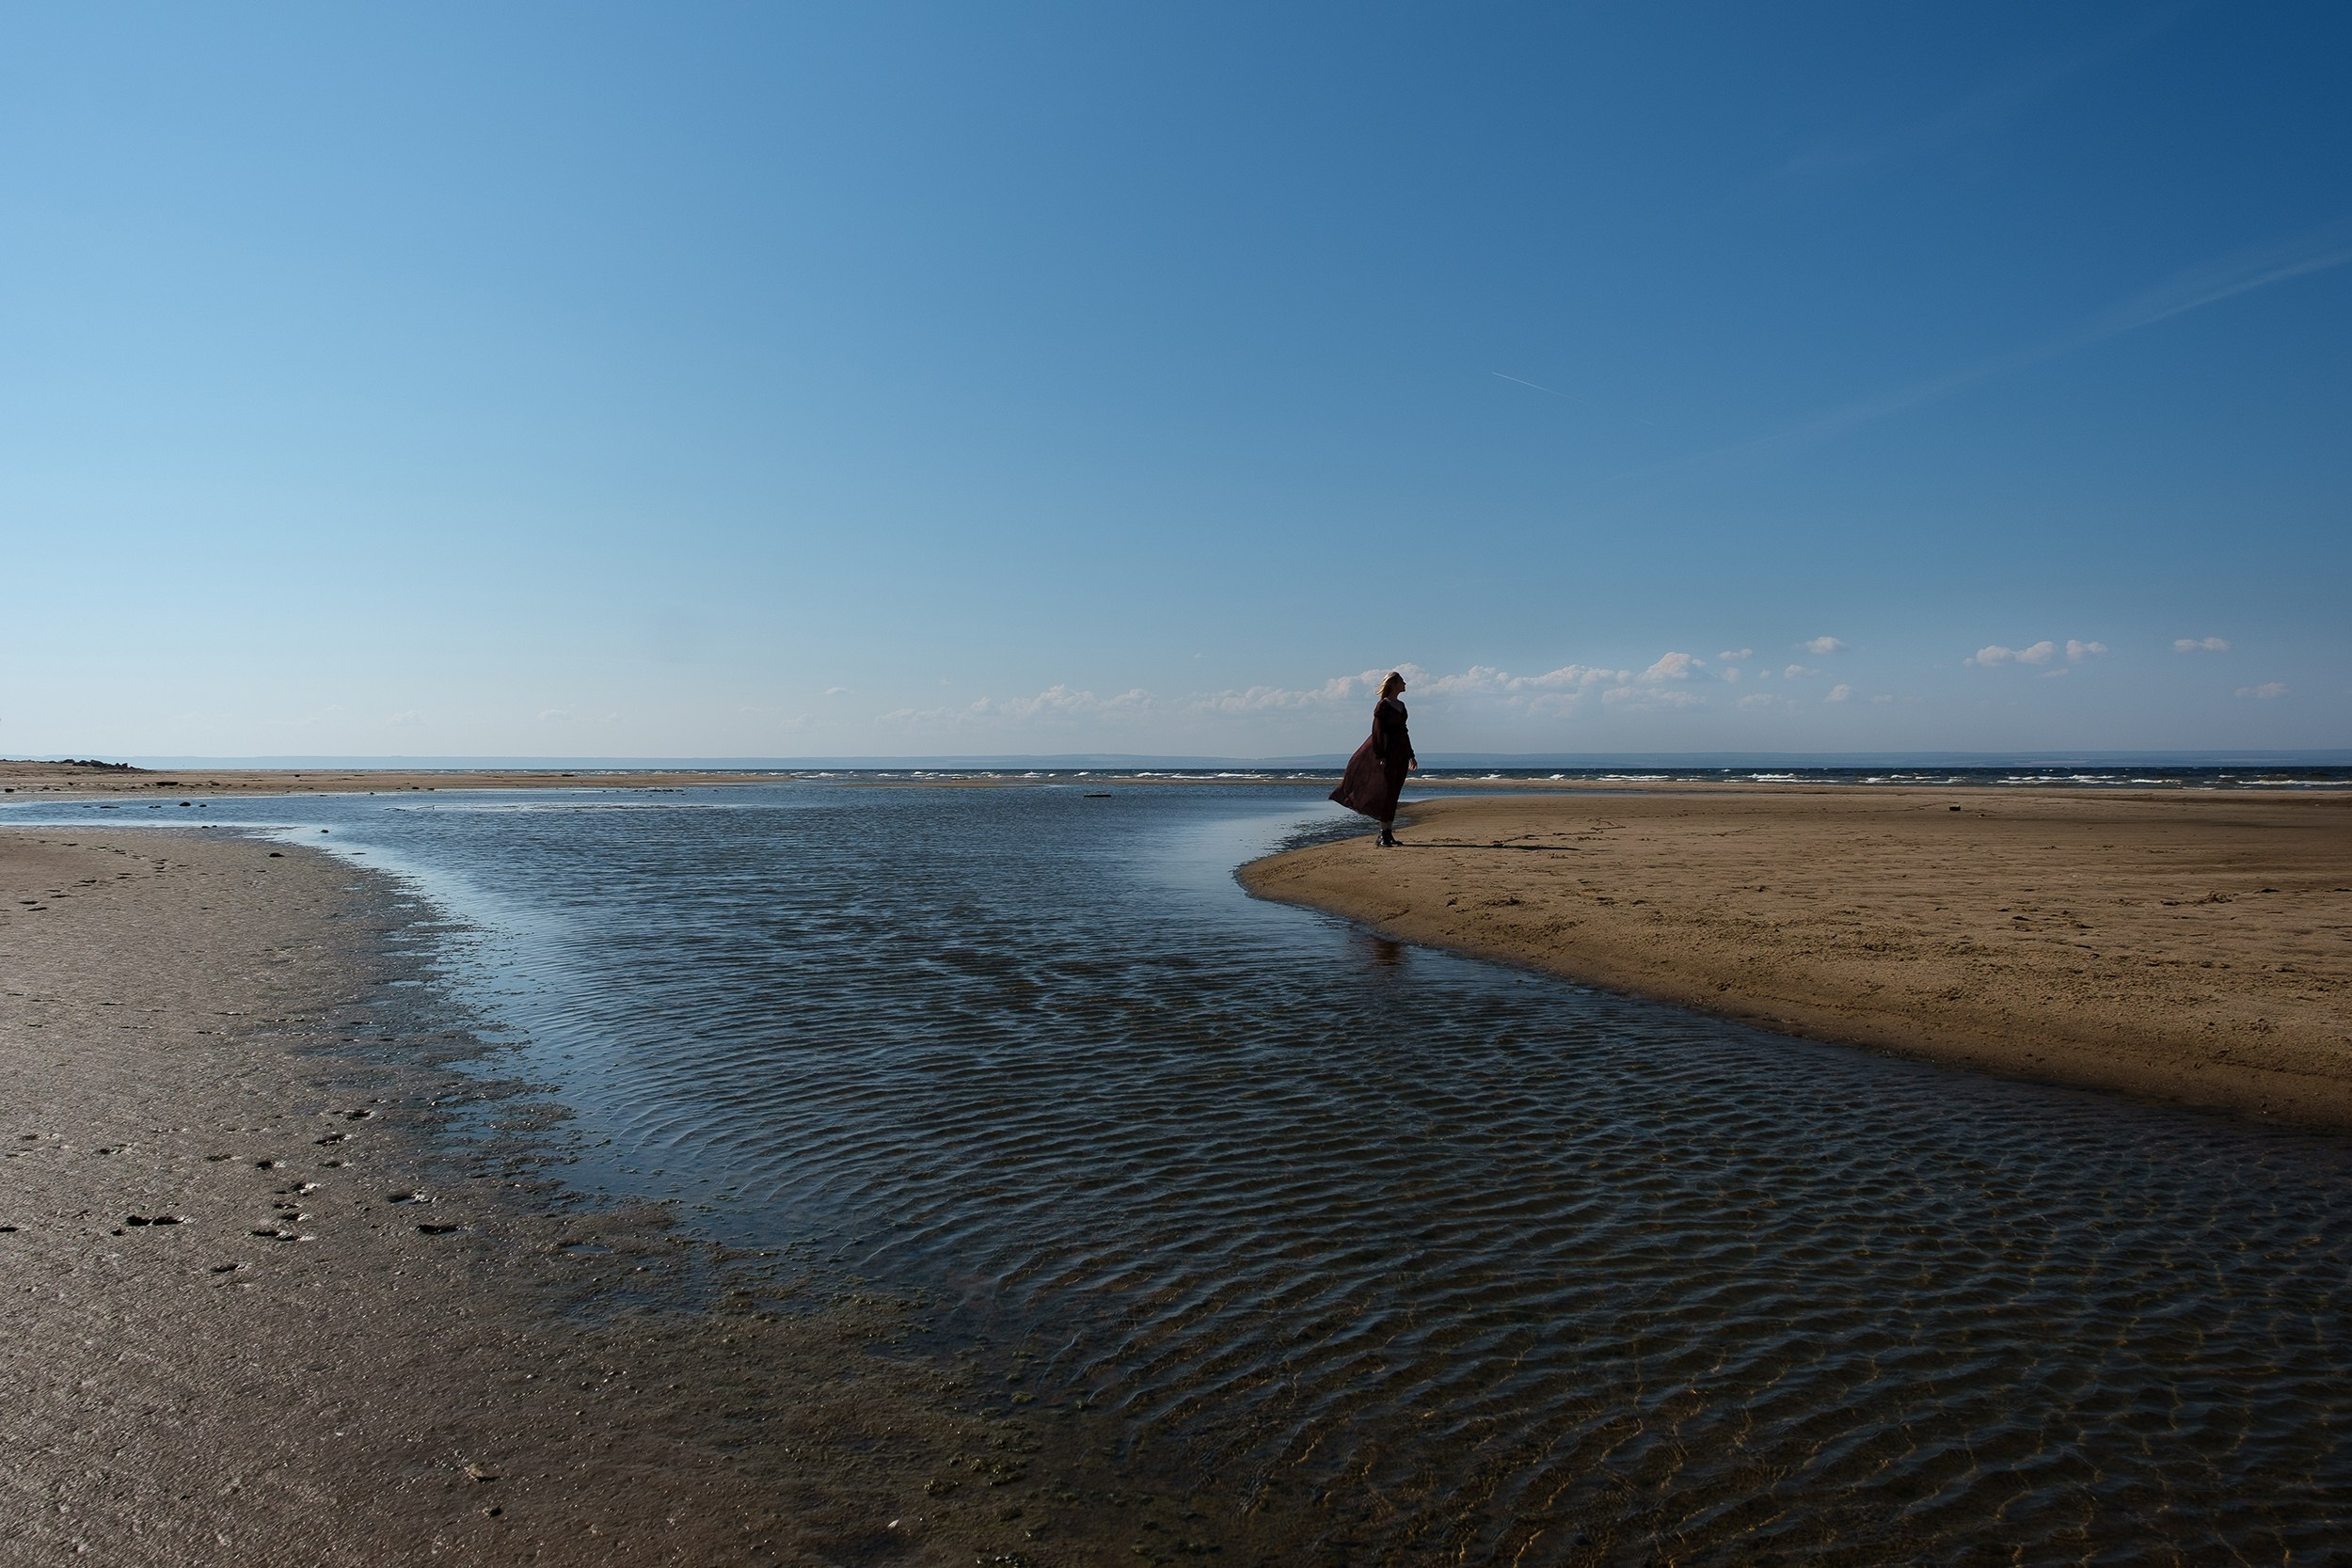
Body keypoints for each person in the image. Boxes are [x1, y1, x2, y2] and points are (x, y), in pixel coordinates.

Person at [1329, 672, 1417, 846]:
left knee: (1393, 793)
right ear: (1393, 684)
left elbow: (1404, 731)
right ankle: (1383, 834)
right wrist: (1380, 755)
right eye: (1402, 681)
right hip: (1386, 752)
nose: (1405, 683)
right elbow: (1377, 731)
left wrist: (1411, 754)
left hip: (1400, 753)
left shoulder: (1401, 705)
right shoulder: (1382, 706)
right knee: (1385, 793)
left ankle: (1388, 833)